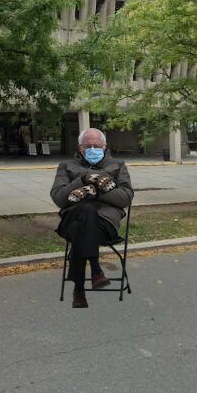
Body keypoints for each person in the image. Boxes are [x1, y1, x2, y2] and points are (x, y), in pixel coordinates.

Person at [50, 128, 134, 308]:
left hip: (104, 225)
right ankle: (95, 270)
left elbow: (125, 198)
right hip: (71, 219)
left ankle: (78, 291)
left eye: (97, 145)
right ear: (80, 148)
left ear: (104, 147)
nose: (93, 149)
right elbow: (58, 198)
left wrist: (95, 193)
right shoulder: (66, 166)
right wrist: (82, 180)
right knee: (85, 213)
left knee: (84, 216)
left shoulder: (118, 165)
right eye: (88, 146)